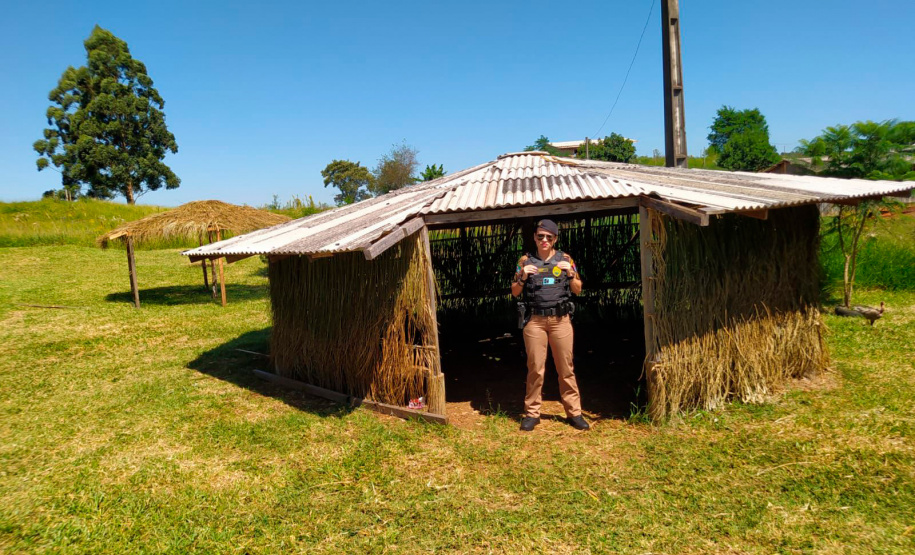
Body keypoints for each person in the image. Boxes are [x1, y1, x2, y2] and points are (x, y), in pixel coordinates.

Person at [511, 219, 589, 432]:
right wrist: (523, 277)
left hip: (560, 321)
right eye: (540, 236)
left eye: (549, 237)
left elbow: (578, 289)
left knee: (566, 368)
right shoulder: (525, 261)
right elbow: (515, 291)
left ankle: (574, 413)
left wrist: (570, 273)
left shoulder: (565, 259)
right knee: (535, 368)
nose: (544, 240)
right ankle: (532, 413)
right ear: (534, 237)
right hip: (535, 321)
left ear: (555, 239)